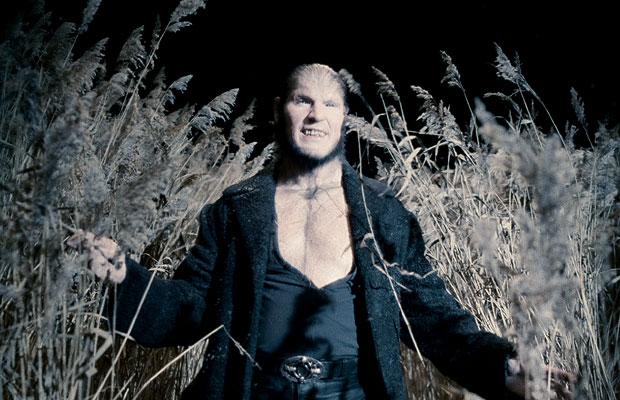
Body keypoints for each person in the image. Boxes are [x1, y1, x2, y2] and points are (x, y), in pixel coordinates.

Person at [68, 64, 574, 399]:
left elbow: (435, 321)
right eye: (302, 101)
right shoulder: (235, 211)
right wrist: (125, 280)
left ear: (345, 117)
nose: (315, 115)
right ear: (279, 110)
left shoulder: (384, 215)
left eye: (330, 104)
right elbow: (188, 310)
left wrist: (504, 369)